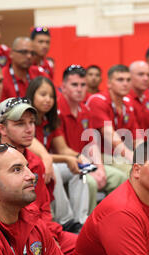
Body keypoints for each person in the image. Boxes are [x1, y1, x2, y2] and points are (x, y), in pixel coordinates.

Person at [0, 97, 78, 255]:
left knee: (92, 246)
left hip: (40, 230)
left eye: (31, 122)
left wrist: (49, 237)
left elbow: (44, 209)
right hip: (7, 236)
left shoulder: (35, 162)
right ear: (2, 129)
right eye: (20, 124)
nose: (29, 129)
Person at [57, 65, 126, 214]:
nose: (79, 89)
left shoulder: (85, 110)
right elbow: (61, 149)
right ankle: (87, 224)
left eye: (83, 85)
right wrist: (91, 169)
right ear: (63, 86)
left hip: (85, 161)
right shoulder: (57, 110)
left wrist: (99, 168)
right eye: (74, 85)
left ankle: (114, 217)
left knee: (120, 178)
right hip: (66, 163)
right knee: (91, 183)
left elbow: (92, 144)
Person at [25, 76, 90, 233]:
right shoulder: (26, 119)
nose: (48, 100)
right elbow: (40, 156)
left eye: (52, 96)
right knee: (53, 167)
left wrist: (78, 157)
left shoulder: (50, 120)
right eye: (43, 95)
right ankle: (65, 220)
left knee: (81, 169)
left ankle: (81, 220)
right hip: (29, 166)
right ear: (32, 95)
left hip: (47, 163)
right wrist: (68, 159)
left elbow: (63, 149)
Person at [87, 64, 140, 177]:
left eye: (128, 80)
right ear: (109, 83)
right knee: (133, 171)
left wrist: (146, 155)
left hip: (116, 155)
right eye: (120, 80)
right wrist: (132, 157)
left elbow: (137, 138)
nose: (125, 83)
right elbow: (109, 135)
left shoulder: (128, 103)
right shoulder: (97, 100)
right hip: (97, 155)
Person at [128, 60, 149, 131]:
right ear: (129, 76)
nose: (146, 78)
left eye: (148, 75)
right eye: (141, 74)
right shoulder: (122, 100)